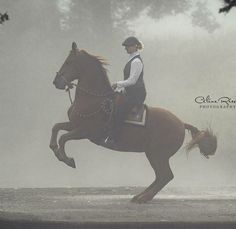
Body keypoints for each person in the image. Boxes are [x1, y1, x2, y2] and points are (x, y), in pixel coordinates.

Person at [106, 36, 146, 146]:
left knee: (120, 110)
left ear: (135, 46)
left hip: (137, 94)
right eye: (125, 46)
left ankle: (115, 139)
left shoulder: (136, 61)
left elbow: (132, 80)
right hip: (130, 92)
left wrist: (117, 84)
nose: (126, 48)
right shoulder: (132, 59)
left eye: (128, 46)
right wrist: (121, 88)